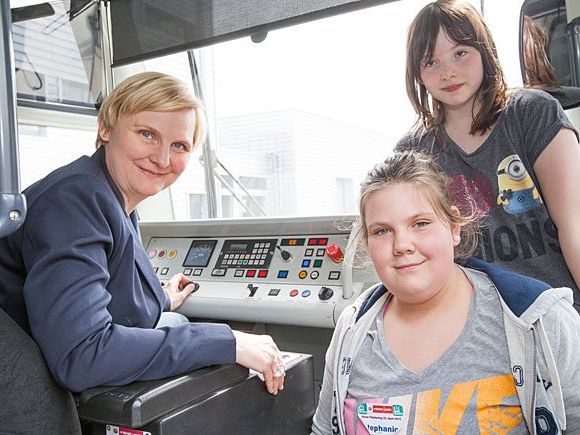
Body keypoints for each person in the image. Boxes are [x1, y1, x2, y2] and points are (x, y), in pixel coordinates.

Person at [0, 71, 285, 395]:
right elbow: (81, 354)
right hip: (22, 396)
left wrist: (161, 296)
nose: (162, 158)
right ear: (106, 128)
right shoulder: (73, 201)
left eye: (179, 145)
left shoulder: (112, 199)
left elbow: (109, 295)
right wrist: (228, 341)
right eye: (147, 134)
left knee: (175, 324)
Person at [311, 151, 580, 434]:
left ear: (454, 228)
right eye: (382, 231)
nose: (402, 244)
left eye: (420, 223)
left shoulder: (539, 320)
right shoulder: (352, 331)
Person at [396, 0, 580, 313]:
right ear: (418, 73)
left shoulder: (533, 114)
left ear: (485, 52)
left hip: (556, 313)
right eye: (431, 62)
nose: (448, 72)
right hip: (475, 325)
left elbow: (573, 226)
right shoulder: (413, 154)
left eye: (460, 53)